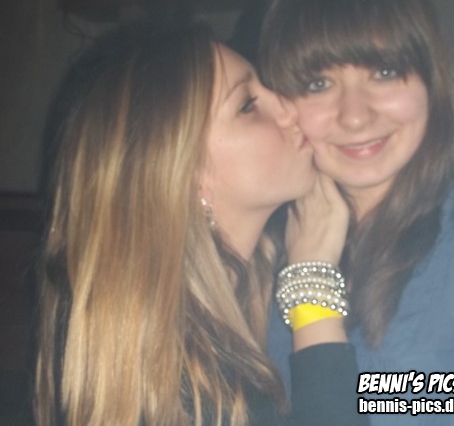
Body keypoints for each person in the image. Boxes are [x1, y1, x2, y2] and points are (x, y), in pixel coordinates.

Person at [34, 24, 366, 426]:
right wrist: (314, 288)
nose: (288, 108)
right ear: (187, 177)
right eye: (247, 105)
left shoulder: (211, 315)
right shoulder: (185, 389)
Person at [259, 0, 454, 425]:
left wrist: (312, 293)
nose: (355, 116)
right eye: (318, 83)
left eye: (384, 72)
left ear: (432, 81)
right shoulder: (257, 249)